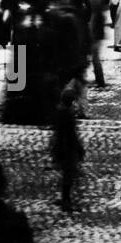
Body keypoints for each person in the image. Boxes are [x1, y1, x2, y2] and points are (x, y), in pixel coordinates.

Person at [50, 83, 84, 211]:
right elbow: (71, 133)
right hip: (68, 148)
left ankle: (66, 198)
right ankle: (66, 200)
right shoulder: (68, 114)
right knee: (68, 174)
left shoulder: (60, 111)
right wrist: (79, 147)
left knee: (67, 173)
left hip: (61, 146)